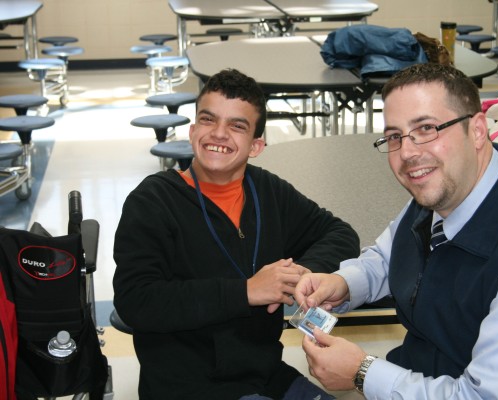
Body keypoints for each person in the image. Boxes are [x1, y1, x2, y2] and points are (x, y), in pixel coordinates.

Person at [295, 63, 498, 399]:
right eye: (395, 136)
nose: (408, 152)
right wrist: (344, 283)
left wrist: (362, 372)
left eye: (426, 128)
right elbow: (388, 255)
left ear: (479, 130)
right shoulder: (445, 190)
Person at [113, 68, 360, 400]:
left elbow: (339, 233)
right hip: (186, 386)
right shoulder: (153, 201)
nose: (218, 134)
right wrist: (245, 292)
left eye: (237, 126)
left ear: (256, 145)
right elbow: (135, 301)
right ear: (192, 130)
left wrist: (299, 274)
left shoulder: (268, 192)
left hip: (264, 375)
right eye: (208, 120)